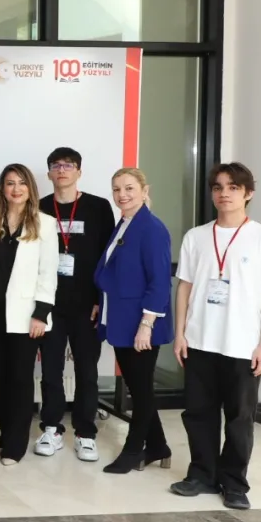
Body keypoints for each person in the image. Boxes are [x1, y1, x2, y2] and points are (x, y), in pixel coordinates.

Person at [171, 162, 261, 510]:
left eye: (233, 187)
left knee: (239, 418)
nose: (224, 193)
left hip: (242, 345)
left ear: (248, 193)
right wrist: (180, 334)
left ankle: (234, 483)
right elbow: (184, 287)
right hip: (199, 340)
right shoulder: (196, 237)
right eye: (218, 187)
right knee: (198, 413)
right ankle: (201, 475)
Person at [37, 147, 115, 462]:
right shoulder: (39, 207)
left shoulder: (98, 207)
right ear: (49, 173)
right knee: (50, 370)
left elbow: (108, 257)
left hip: (87, 306)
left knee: (87, 371)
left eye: (68, 165)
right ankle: (51, 428)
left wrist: (100, 300)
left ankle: (85, 433)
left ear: (79, 172)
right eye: (56, 165)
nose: (62, 170)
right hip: (50, 304)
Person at [93, 167, 173, 474]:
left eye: (129, 188)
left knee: (140, 392)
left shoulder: (151, 228)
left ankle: (133, 450)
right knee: (139, 389)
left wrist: (146, 325)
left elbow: (159, 282)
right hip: (121, 319)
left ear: (144, 190)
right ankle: (159, 446)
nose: (122, 195)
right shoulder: (125, 224)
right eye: (117, 189)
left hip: (141, 324)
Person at [0, 163, 58, 466]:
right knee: (2, 377)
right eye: (10, 183)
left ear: (30, 189)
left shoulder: (45, 224)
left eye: (22, 183)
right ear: (2, 188)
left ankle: (16, 444)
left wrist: (41, 313)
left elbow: (48, 273)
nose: (16, 189)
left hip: (27, 317)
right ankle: (6, 432)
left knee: (21, 379)